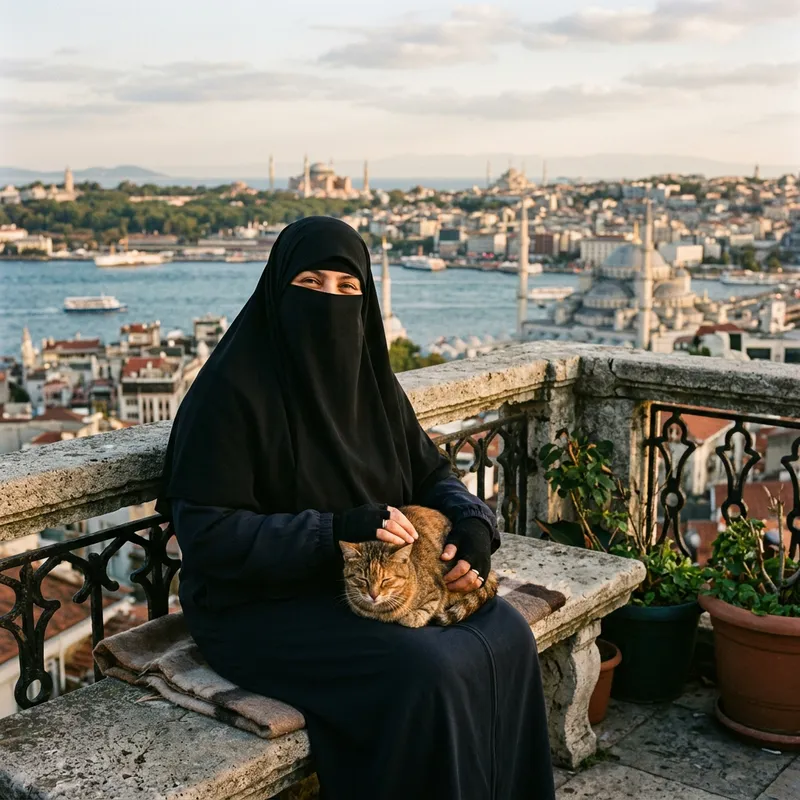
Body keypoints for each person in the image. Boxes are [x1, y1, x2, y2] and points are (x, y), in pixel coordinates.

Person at [157, 216, 555, 800]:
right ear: (277, 289)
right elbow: (209, 534)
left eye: (348, 288)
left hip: (373, 588)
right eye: (310, 283)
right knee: (427, 671)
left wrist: (473, 525)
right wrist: (332, 531)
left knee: (507, 632)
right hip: (259, 605)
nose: (329, 302)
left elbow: (431, 474)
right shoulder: (230, 393)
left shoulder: (372, 386)